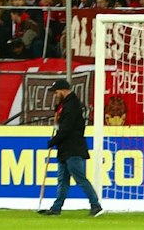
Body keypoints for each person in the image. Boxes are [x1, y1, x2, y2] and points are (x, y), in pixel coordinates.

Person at [40, 81, 103, 216]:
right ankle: (56, 208)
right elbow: (62, 126)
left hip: (73, 149)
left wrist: (53, 141)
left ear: (63, 90)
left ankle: (95, 205)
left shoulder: (72, 105)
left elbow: (67, 129)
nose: (55, 95)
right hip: (65, 149)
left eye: (56, 92)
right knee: (62, 180)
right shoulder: (65, 105)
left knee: (79, 178)